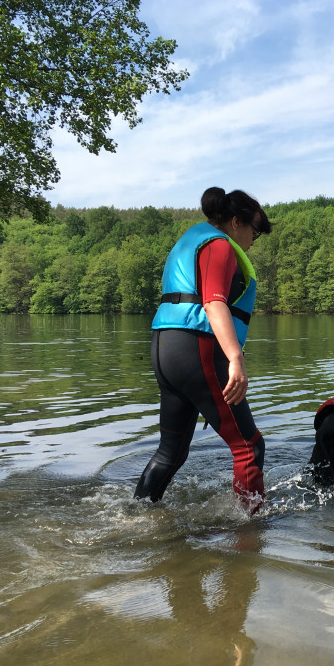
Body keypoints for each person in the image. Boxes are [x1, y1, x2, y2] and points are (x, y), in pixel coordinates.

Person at [134, 187, 271, 515]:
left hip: (165, 348)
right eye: (254, 231)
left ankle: (134, 517)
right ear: (236, 222)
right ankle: (249, 533)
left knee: (171, 452)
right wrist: (235, 358)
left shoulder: (191, 240)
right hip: (195, 348)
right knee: (249, 447)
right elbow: (212, 302)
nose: (254, 240)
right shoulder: (220, 245)